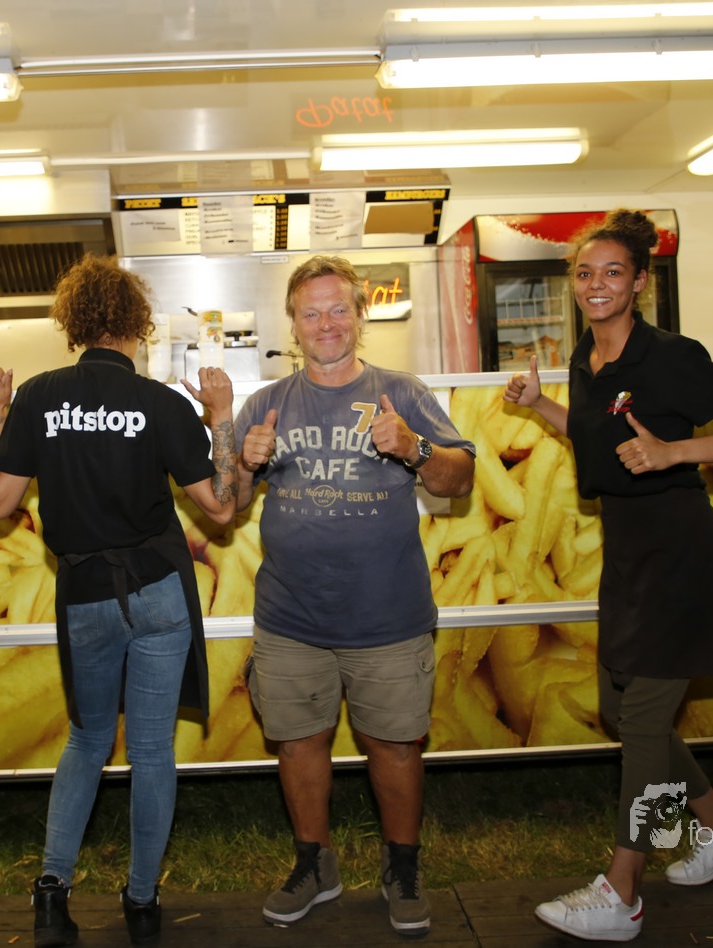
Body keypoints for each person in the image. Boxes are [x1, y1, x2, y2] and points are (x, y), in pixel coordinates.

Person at [504, 209, 713, 942]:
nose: (596, 284)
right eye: (584, 272)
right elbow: (597, 437)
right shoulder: (585, 357)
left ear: (639, 283)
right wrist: (541, 405)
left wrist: (675, 452)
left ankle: (622, 889)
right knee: (619, 706)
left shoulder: (671, 356)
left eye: (613, 272)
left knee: (640, 723)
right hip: (629, 555)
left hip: (680, 557)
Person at [0, 254, 239, 948]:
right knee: (151, 751)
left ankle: (51, 889)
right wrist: (221, 415)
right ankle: (142, 900)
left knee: (88, 740)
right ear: (137, 324)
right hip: (159, 591)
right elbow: (221, 508)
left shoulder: (38, 397)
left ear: (72, 322)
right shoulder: (161, 403)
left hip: (85, 595)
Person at [234, 255, 476, 937]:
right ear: (293, 324)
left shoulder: (402, 391)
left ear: (360, 315)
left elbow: (459, 480)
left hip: (388, 616)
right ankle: (315, 864)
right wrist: (244, 461)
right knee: (297, 744)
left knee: (394, 747)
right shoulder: (266, 403)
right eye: (311, 313)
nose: (326, 324)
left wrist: (414, 448)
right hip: (290, 617)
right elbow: (230, 506)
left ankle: (402, 868)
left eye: (339, 309)